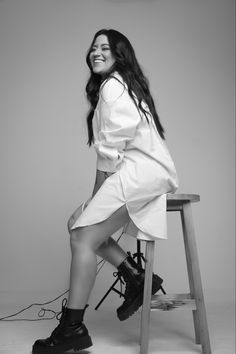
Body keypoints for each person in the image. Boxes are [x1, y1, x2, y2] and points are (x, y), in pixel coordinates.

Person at [32, 29, 178, 354]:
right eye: (94, 47)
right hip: (142, 173)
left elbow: (110, 153)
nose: (96, 52)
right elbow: (109, 154)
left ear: (119, 53)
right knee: (76, 223)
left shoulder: (113, 87)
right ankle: (137, 277)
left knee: (83, 236)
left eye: (105, 48)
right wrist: (93, 203)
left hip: (141, 175)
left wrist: (96, 202)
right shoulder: (119, 85)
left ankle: (72, 327)